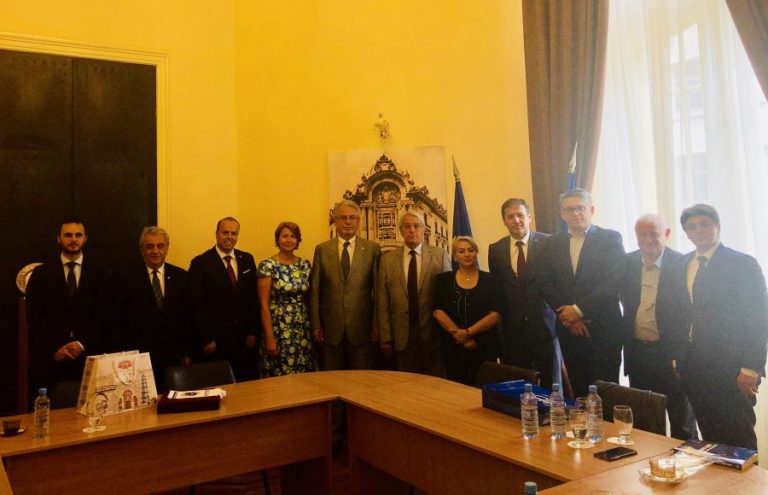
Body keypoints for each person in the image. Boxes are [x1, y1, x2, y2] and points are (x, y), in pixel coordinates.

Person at [672, 204, 767, 450]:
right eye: (692, 227)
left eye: (705, 224)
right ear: (686, 233)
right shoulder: (682, 264)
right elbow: (679, 314)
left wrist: (751, 367)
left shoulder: (742, 263)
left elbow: (758, 317)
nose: (699, 230)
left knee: (739, 439)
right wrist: (678, 358)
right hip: (694, 367)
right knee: (710, 438)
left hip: (733, 369)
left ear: (718, 226)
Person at [538, 189, 625, 396]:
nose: (575, 213)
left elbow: (615, 280)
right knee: (579, 390)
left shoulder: (610, 238)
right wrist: (569, 316)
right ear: (562, 214)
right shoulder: (553, 243)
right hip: (568, 330)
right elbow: (545, 282)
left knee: (606, 391)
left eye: (580, 208)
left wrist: (578, 310)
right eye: (569, 209)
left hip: (604, 329)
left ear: (591, 210)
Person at [620, 214, 696, 440]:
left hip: (672, 355)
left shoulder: (682, 264)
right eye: (642, 235)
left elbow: (691, 312)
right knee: (645, 424)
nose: (647, 239)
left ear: (667, 234)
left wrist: (682, 354)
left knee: (682, 423)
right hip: (638, 354)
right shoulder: (627, 263)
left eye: (653, 234)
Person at [26, 219, 113, 397]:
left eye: (78, 235)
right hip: (51, 360)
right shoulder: (41, 273)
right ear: (58, 238)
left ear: (85, 238)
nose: (73, 239)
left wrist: (82, 343)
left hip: (90, 356)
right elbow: (34, 315)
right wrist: (55, 348)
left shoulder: (101, 273)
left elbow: (105, 314)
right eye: (68, 235)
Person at [487, 198, 558, 388]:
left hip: (545, 327)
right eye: (510, 216)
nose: (516, 220)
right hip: (513, 330)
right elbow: (498, 289)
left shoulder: (549, 243)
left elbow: (557, 282)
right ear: (504, 221)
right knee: (519, 385)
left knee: (550, 384)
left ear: (529, 217)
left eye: (520, 215)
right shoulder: (495, 249)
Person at [115, 227, 195, 391]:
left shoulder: (181, 277)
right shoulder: (125, 278)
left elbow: (189, 318)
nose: (155, 251)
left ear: (167, 249)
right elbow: (119, 320)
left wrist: (187, 353)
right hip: (138, 359)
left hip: (174, 357)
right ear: (142, 250)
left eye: (160, 246)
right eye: (150, 246)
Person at [377, 211, 451, 376]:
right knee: (407, 382)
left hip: (433, 332)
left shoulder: (440, 256)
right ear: (401, 230)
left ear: (423, 229)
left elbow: (449, 297)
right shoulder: (387, 260)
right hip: (402, 334)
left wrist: (450, 332)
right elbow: (383, 301)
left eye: (416, 226)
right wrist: (386, 336)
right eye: (407, 226)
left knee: (436, 382)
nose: (412, 230)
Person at [310, 200, 381, 370]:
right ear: (335, 221)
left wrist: (376, 324)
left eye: (352, 217)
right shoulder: (322, 250)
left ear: (358, 221)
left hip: (362, 328)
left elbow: (378, 291)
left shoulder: (372, 249)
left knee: (361, 378)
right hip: (330, 328)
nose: (348, 222)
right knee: (331, 378)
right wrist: (316, 324)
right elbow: (315, 290)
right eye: (343, 218)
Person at [188, 217, 260, 381]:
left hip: (244, 341)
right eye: (225, 232)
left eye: (234, 233)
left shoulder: (247, 259)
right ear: (216, 234)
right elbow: (196, 305)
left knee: (246, 386)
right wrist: (206, 338)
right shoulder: (201, 263)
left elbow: (253, 299)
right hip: (216, 341)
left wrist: (253, 331)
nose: (229, 237)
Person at [433, 236, 502, 385]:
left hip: (484, 345)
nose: (467, 254)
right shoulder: (443, 280)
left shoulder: (491, 280)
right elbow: (438, 311)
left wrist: (468, 333)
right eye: (461, 251)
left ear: (476, 253)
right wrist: (459, 335)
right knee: (457, 390)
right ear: (454, 256)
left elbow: (495, 314)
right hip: (454, 346)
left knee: (483, 388)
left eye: (471, 250)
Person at [258, 221, 316, 376]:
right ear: (277, 239)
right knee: (280, 375)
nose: (289, 240)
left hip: (302, 328)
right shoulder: (267, 266)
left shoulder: (305, 265)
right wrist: (269, 337)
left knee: (304, 375)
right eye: (284, 236)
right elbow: (263, 304)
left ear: (298, 240)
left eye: (293, 236)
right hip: (278, 328)